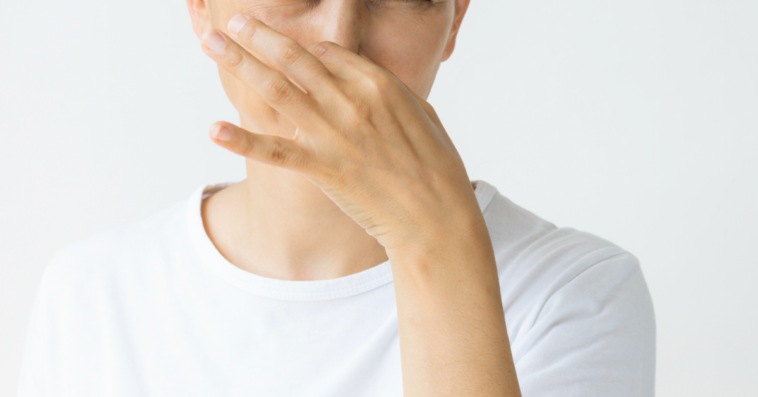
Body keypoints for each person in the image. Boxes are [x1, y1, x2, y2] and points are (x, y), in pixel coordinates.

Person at [17, 0, 656, 396]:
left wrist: (431, 241)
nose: (340, 38)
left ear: (454, 20)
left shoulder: (574, 292)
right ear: (199, 6)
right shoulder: (90, 293)